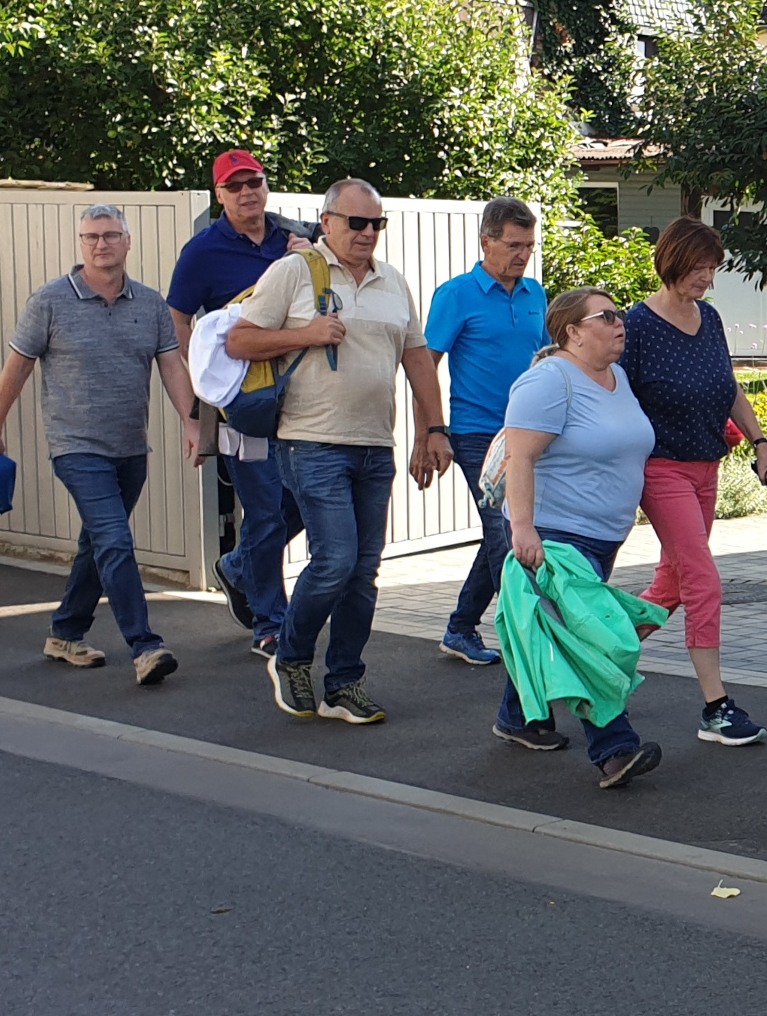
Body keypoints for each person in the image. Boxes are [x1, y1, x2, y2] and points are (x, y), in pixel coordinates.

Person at [226, 177, 451, 726]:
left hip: (375, 444)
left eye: (377, 223)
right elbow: (240, 340)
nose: (368, 232)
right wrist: (305, 334)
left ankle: (344, 682)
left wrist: (433, 429)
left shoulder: (393, 281)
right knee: (335, 560)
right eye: (357, 222)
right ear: (327, 223)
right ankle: (291, 656)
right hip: (312, 440)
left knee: (363, 571)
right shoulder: (294, 271)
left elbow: (417, 358)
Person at [0, 206, 200, 686]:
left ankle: (65, 633)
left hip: (130, 446)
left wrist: (191, 422)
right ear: (81, 243)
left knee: (97, 543)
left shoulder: (150, 304)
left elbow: (171, 366)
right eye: (90, 237)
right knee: (114, 540)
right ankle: (145, 646)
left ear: (127, 242)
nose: (100, 244)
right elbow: (17, 368)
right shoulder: (50, 301)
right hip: (75, 446)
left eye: (110, 235)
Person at [620, 217, 767, 748]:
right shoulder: (637, 326)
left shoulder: (709, 318)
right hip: (660, 468)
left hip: (706, 467)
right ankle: (716, 707)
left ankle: (592, 656)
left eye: (712, 268)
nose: (707, 278)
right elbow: (614, 395)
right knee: (702, 580)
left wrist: (762, 446)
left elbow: (729, 386)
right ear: (672, 262)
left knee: (671, 585)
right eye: (698, 267)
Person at [495, 287, 666, 786]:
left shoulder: (618, 377)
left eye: (618, 314)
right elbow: (519, 457)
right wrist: (523, 530)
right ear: (572, 332)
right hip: (555, 536)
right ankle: (615, 749)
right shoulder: (548, 381)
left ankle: (518, 716)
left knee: (559, 629)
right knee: (589, 642)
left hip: (602, 537)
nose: (619, 322)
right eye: (605, 316)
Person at [167, 149, 316, 660]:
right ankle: (270, 624)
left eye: (254, 182)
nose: (247, 192)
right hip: (243, 402)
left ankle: (237, 567)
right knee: (265, 510)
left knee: (303, 500)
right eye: (234, 186)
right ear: (219, 194)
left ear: (266, 185)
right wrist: (203, 383)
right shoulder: (202, 251)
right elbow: (177, 319)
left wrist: (311, 255)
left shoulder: (296, 236)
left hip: (300, 394)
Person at [423, 197, 547, 669]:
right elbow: (424, 367)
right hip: (476, 434)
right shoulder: (456, 295)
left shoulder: (535, 294)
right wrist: (431, 433)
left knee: (502, 531)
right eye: (514, 245)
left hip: (526, 434)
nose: (523, 255)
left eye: (528, 246)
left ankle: (460, 628)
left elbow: (547, 360)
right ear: (486, 242)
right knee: (505, 533)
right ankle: (529, 642)